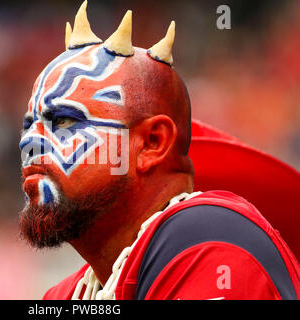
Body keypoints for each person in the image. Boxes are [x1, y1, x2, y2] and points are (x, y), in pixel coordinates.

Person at [18, 1, 300, 300]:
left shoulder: (207, 242)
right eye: (28, 123)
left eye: (62, 120)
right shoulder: (66, 295)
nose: (29, 141)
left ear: (152, 143)